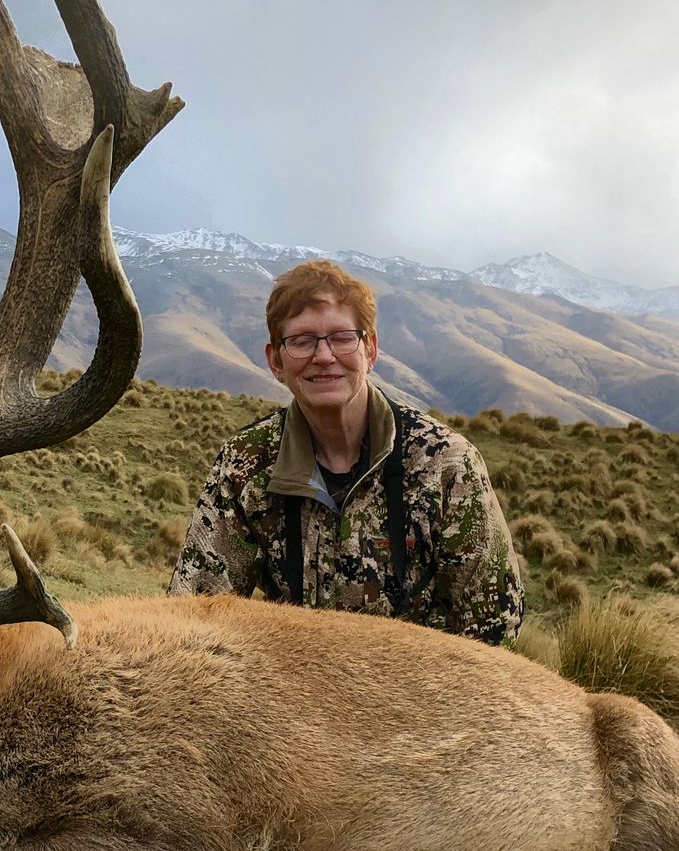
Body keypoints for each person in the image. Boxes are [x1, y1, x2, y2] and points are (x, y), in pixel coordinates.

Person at [168, 259, 523, 645]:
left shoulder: (446, 463)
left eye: (341, 337)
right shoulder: (245, 465)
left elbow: (493, 626)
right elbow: (193, 615)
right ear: (275, 361)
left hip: (423, 695)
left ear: (370, 349)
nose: (323, 356)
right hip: (295, 693)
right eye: (302, 341)